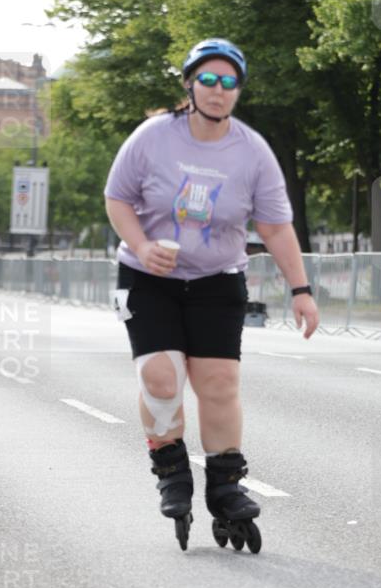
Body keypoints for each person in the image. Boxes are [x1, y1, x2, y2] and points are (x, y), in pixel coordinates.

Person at [104, 37, 319, 553]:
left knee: (219, 382)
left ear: (238, 91)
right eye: (209, 79)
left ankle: (225, 487)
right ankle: (172, 469)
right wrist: (141, 244)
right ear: (189, 84)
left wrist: (301, 289)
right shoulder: (153, 137)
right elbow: (117, 199)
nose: (219, 90)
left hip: (218, 279)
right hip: (148, 277)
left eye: (229, 82)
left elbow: (276, 226)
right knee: (161, 375)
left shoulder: (252, 151)